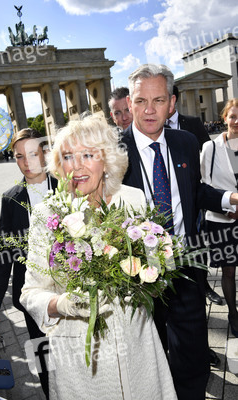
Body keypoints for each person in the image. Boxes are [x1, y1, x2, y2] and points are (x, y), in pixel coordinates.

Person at [20, 115, 178, 400]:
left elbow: (159, 268)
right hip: (83, 362)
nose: (77, 166)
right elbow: (30, 293)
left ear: (106, 160)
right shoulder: (47, 216)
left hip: (138, 346)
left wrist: (156, 269)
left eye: (88, 155)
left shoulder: (133, 199)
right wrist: (62, 304)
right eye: (68, 156)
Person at [122, 64, 238, 400]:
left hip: (187, 265)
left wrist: (229, 198)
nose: (148, 109)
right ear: (129, 103)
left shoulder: (186, 142)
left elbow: (196, 190)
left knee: (192, 352)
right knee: (148, 352)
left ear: (171, 103)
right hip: (135, 275)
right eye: (141, 100)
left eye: (158, 100)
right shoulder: (114, 154)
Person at [0, 128, 58, 399]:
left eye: (33, 154)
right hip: (33, 295)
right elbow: (5, 247)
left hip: (71, 289)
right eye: (19, 156)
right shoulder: (11, 198)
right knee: (45, 359)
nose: (27, 162)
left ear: (45, 153)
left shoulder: (69, 185)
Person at [167, 86, 223, 308]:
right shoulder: (153, 128)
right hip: (167, 200)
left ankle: (205, 286)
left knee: (198, 242)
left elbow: (209, 155)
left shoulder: (193, 123)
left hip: (195, 194)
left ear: (174, 100)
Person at [200, 98, 238, 337]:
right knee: (228, 270)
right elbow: (204, 186)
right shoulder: (210, 148)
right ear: (224, 118)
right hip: (223, 220)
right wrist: (227, 207)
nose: (236, 122)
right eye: (233, 116)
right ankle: (233, 315)